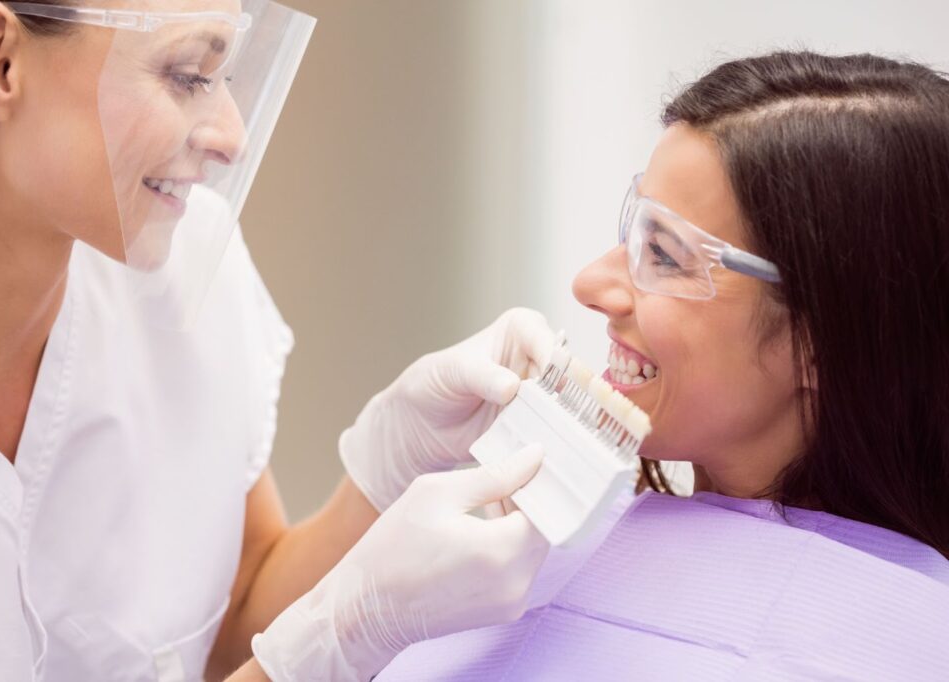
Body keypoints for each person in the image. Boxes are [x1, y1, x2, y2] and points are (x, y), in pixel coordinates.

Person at [0, 1, 557, 680]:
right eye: (187, 73)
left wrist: (385, 470)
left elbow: (233, 618)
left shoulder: (185, 269)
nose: (232, 136)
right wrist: (340, 636)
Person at [376, 50, 949, 681]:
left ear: (824, 339)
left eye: (666, 255)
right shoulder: (550, 551)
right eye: (632, 228)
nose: (591, 282)